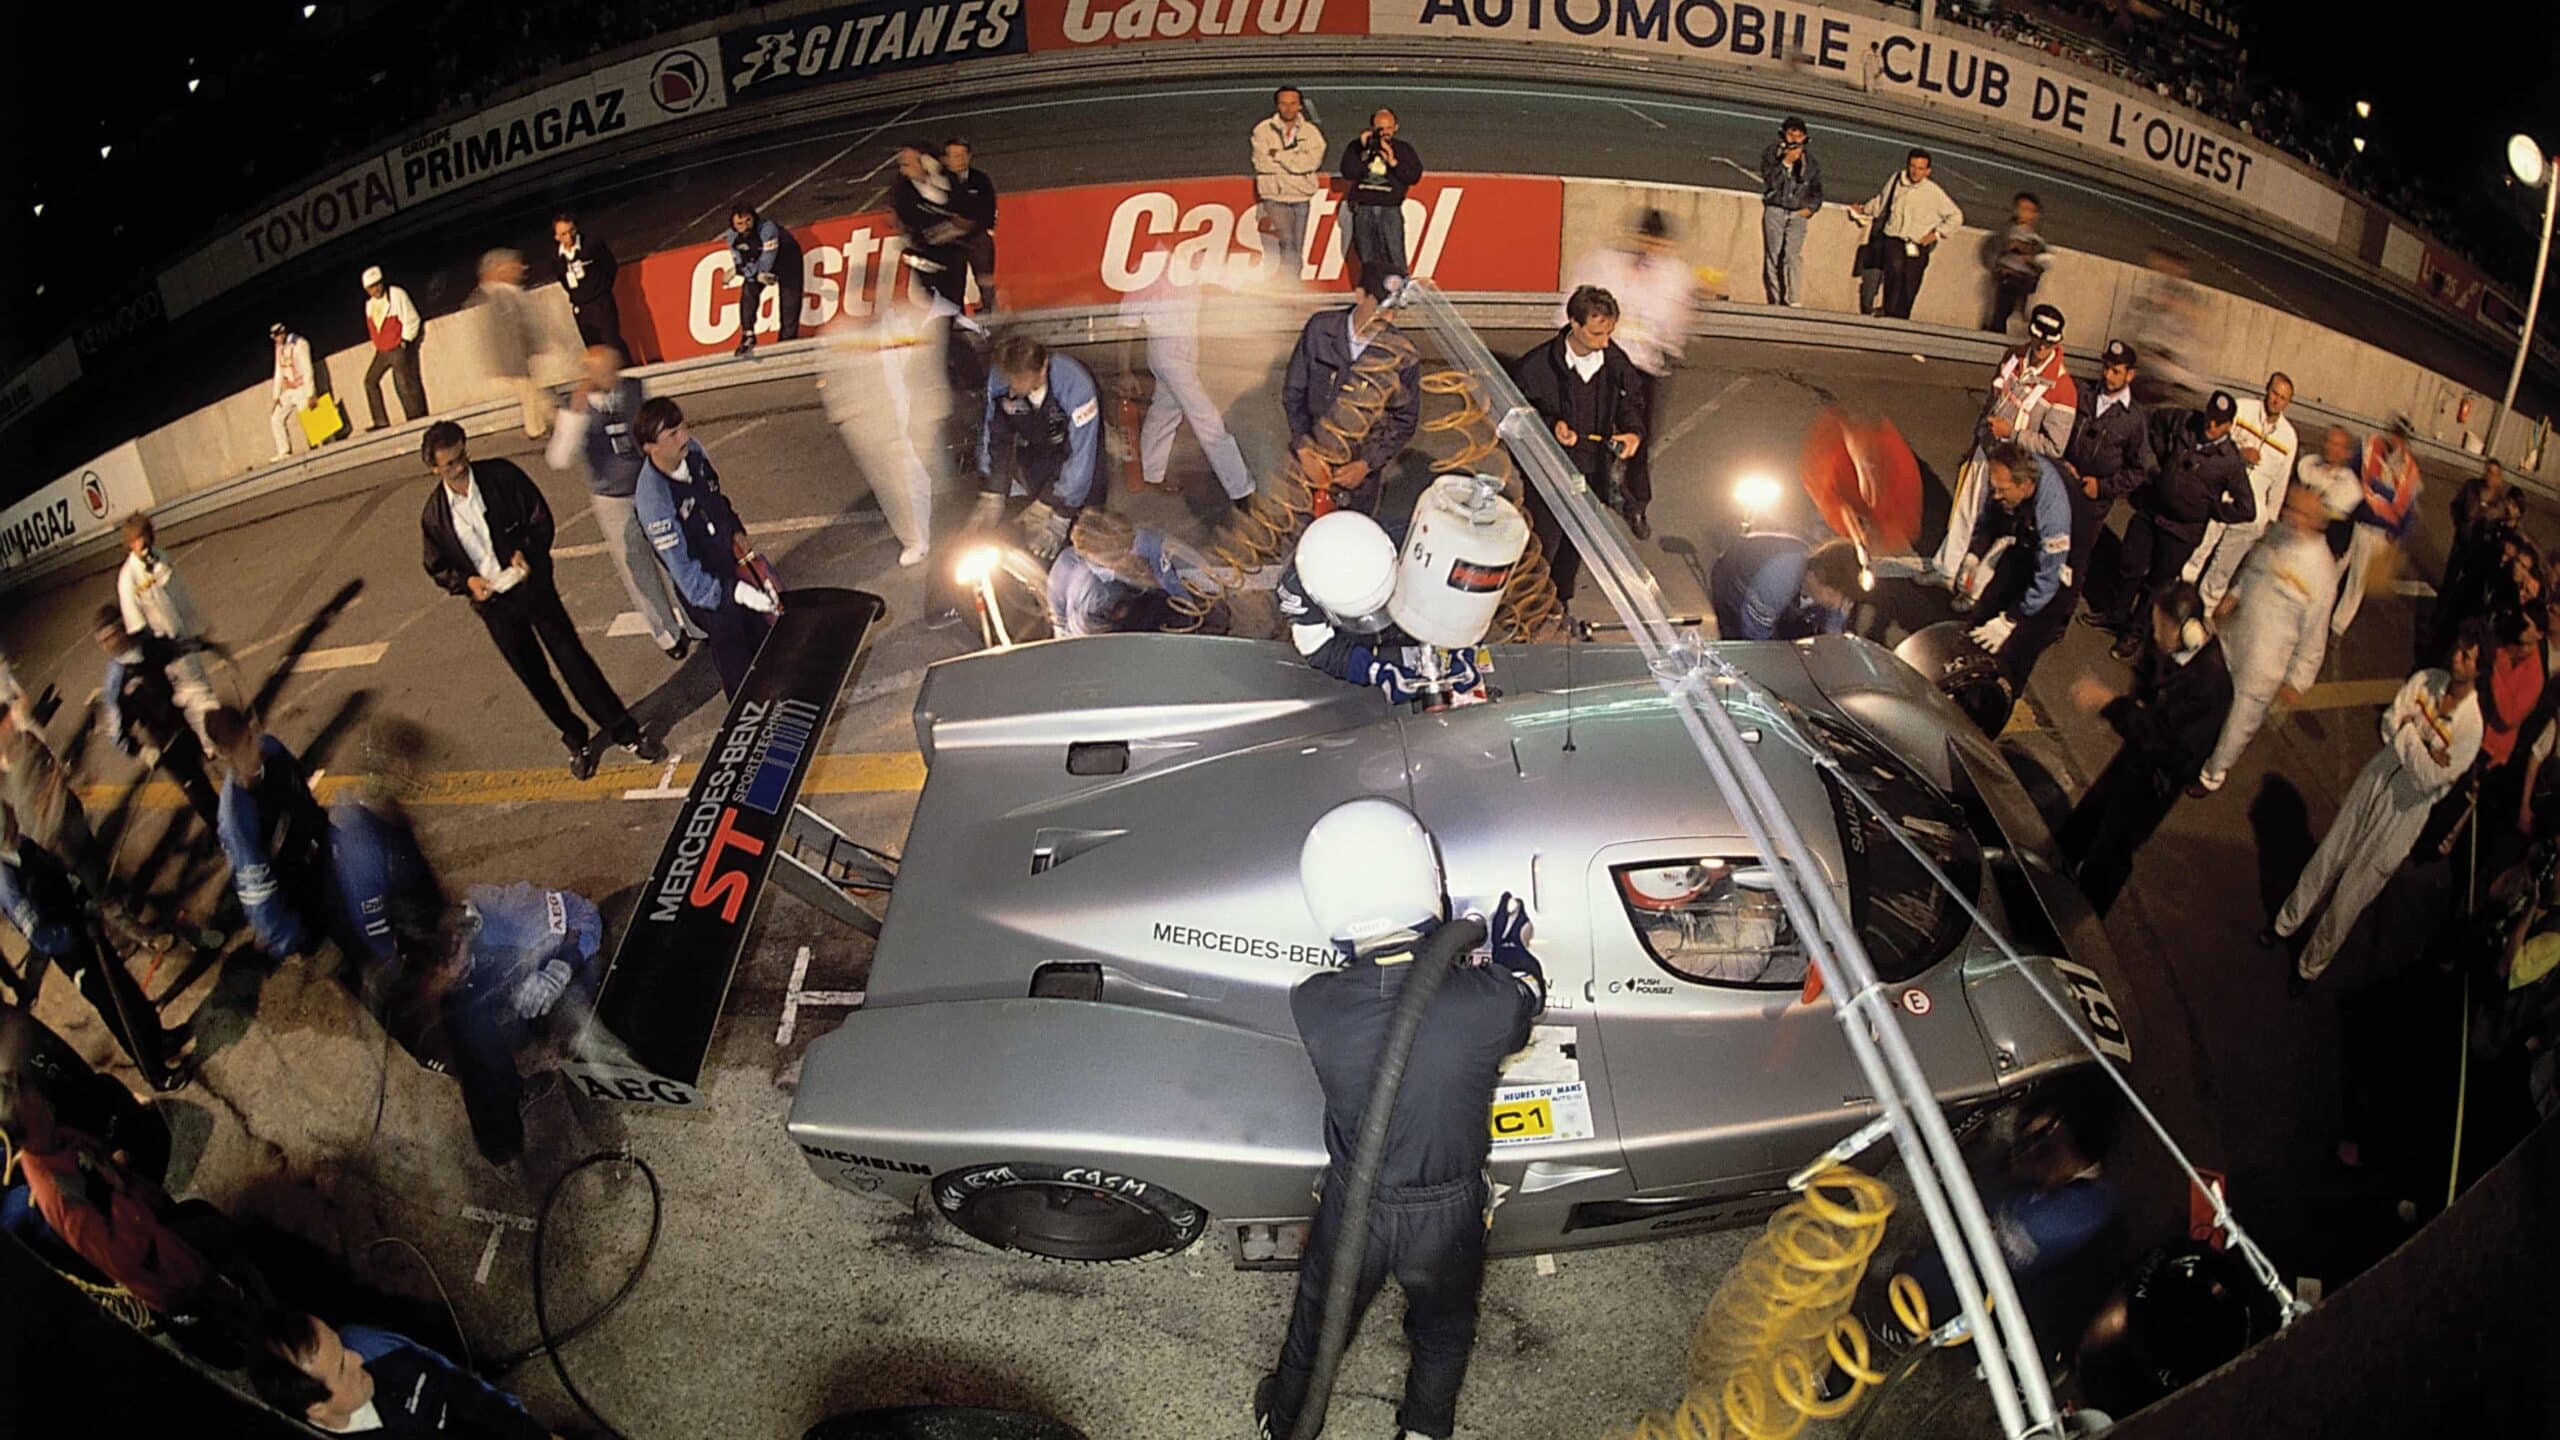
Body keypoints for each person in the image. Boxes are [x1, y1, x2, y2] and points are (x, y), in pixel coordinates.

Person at [1252, 798, 1545, 1440]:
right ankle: (1423, 1428)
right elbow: (1528, 996)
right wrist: (1507, 941)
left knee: (1317, 1322)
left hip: (1355, 1201)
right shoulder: (1485, 1004)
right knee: (1443, 1331)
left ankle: (1286, 1420)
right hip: (1447, 1210)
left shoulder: (1314, 1004)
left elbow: (1376, 999)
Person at [417, 423, 661, 778]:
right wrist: (467, 582)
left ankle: (624, 730)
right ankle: (575, 738)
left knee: (573, 660)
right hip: (495, 606)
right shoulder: (435, 516)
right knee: (534, 677)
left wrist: (526, 551)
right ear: (434, 469)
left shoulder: (500, 477)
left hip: (532, 588)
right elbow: (437, 565)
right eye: (450, 464)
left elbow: (538, 517)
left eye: (462, 456)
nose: (460, 467)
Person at [2266, 628, 2484, 985]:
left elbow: (2428, 779)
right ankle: (2285, 923)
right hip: (2378, 776)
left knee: (2355, 890)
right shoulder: (2425, 680)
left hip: (2406, 810)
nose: (2457, 658)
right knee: (2331, 852)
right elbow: (2388, 723)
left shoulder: (2471, 729)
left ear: (2479, 669)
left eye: (2467, 656)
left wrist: (2409, 733)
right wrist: (2421, 746)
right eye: (2459, 649)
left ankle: (2310, 966)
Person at [1872, 1084, 2124, 1359]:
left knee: (1963, 1262)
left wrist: (1913, 1273)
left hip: (1950, 1293)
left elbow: (1976, 1251)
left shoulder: (2069, 1216)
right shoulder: (2057, 1181)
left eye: (2040, 1142)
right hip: (1973, 1242)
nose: (2027, 1147)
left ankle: (1906, 1324)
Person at [2062, 583, 2231, 913]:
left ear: (2185, 630)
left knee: (2113, 846)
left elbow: (2159, 738)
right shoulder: (2168, 649)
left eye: (2160, 627)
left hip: (2156, 781)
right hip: (2137, 758)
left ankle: (2085, 913)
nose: (2154, 634)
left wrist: (2109, 702)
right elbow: (2144, 684)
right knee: (2091, 814)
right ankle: (2057, 864)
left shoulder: (2210, 686)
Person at [0, 807, 184, 1088]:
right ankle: (156, 1073)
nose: (15, 817)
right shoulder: (7, 882)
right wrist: (75, 934)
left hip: (84, 926)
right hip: (72, 950)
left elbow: (60, 873)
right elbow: (40, 935)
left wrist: (82, 896)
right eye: (10, 820)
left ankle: (159, 1038)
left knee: (126, 986)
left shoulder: (23, 844)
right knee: (116, 1006)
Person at [428, 882, 605, 1165]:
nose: (443, 972)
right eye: (435, 967)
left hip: (549, 971)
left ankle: (574, 1035)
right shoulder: (432, 962)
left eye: (448, 958)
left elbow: (586, 916)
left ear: (464, 933)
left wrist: (560, 968)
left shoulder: (515, 914)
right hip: (505, 983)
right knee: (463, 1022)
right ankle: (502, 1136)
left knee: (583, 982)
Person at [544, 346, 702, 658]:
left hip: (650, 486)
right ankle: (667, 634)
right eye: (603, 372)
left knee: (673, 553)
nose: (611, 377)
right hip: (613, 498)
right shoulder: (575, 407)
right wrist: (575, 414)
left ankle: (697, 622)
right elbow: (560, 458)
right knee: (637, 568)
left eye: (613, 369)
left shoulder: (633, 389)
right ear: (589, 374)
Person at [2193, 484, 2343, 795]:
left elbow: (2314, 636)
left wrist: (2297, 681)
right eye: (2290, 507)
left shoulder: (2322, 573)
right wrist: (2231, 598)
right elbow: (2252, 570)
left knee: (2237, 724)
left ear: (2318, 521)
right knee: (2205, 699)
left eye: (2300, 512)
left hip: (2264, 665)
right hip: (2235, 636)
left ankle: (2212, 774)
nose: (2291, 515)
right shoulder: (2277, 535)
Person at [1560, 211, 1698, 539]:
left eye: (1656, 243)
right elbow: (1573, 306)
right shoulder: (1604, 264)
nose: (1649, 248)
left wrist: (1663, 343)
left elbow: (1675, 324)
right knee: (1589, 431)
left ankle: (1637, 504)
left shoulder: (1674, 276)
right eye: (1645, 240)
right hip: (1603, 361)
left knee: (1638, 438)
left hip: (1643, 367)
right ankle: (1584, 496)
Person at [634, 398, 778, 698]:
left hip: (730, 564)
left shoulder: (694, 453)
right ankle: (747, 708)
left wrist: (735, 530)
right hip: (709, 591)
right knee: (736, 659)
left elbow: (716, 497)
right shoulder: (654, 500)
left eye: (682, 427)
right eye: (672, 435)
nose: (684, 437)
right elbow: (687, 577)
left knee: (766, 639)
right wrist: (735, 593)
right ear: (650, 447)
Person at [1512, 286, 1647, 603]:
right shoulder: (1535, 368)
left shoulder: (1615, 363)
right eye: (1597, 333)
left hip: (1592, 472)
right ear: (1573, 322)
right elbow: (1517, 419)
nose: (1605, 342)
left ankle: (1561, 602)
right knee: (1543, 543)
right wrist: (1551, 426)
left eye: (1609, 333)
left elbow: (1631, 403)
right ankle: (1531, 604)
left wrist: (1633, 432)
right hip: (1547, 475)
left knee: (1576, 544)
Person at [2097, 392, 2253, 662]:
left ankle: (2134, 632)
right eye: (2210, 417)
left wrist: (2212, 509)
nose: (2211, 425)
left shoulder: (2230, 461)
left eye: (2218, 423)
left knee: (2157, 585)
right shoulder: (2186, 421)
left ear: (2229, 426)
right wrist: (2160, 460)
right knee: (2130, 563)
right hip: (2153, 512)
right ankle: (2115, 614)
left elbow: (2246, 508)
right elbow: (2157, 421)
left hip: (2181, 532)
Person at [1277, 510, 1488, 702]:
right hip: (1357, 643)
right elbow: (1319, 648)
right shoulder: (1296, 589)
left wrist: (1464, 645)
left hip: (1420, 611)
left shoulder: (1422, 544)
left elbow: (1471, 598)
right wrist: (1375, 672)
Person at [250, 1310, 557, 1440]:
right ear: (317, 1408)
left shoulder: (368, 1343)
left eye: (341, 1346)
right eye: (342, 1367)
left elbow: (459, 1383)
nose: (358, 1357)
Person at [1933, 304, 2076, 583]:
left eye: (2048, 343)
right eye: (2039, 339)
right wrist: (1977, 438)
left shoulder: (2064, 389)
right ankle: (1946, 569)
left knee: (2001, 529)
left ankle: (1977, 588)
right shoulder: (2012, 356)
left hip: (2016, 466)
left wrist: (2012, 433)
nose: (2042, 347)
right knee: (1965, 510)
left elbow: (2055, 447)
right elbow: (1993, 400)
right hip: (1987, 448)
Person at [820, 282, 953, 568]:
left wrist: (932, 411)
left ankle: (939, 532)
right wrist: (848, 420)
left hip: (913, 420)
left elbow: (929, 361)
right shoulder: (841, 333)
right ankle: (915, 540)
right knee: (893, 490)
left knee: (931, 481)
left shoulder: (911, 322)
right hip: (873, 427)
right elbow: (833, 382)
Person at [1282, 269, 1421, 517]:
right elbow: (1294, 393)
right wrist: (1304, 449)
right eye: (1380, 307)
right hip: (1309, 467)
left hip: (1358, 481)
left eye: (1394, 310)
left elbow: (1405, 421)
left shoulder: (1401, 355)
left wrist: (1366, 465)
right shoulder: (1320, 330)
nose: (1387, 318)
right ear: (1360, 295)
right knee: (1298, 531)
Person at [1122, 263, 1257, 508]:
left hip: (1186, 350)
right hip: (1167, 354)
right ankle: (1240, 489)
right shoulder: (1149, 268)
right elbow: (1126, 322)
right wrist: (1124, 370)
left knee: (1166, 409)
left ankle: (1151, 473)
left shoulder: (1191, 257)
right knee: (1207, 418)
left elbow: (1226, 278)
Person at [206, 708, 333, 963]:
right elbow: (256, 887)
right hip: (300, 898)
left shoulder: (272, 750)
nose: (253, 751)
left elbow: (302, 795)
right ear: (224, 755)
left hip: (325, 860)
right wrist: (289, 937)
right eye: (243, 747)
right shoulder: (236, 816)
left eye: (250, 739)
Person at [1956, 442, 2077, 688]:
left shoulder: (2053, 516)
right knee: (1985, 609)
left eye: (2002, 490)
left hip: (2058, 571)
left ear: (2025, 485)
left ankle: (2002, 692)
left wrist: (2011, 619)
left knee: (2017, 648)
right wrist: (1974, 555)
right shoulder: (2008, 477)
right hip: (2025, 543)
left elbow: (2048, 580)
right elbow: (1991, 517)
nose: (1996, 495)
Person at [977, 334, 1105, 562]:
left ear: (1043, 368)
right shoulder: (1000, 381)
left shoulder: (1076, 386)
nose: (1013, 389)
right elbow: (995, 437)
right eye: (1010, 380)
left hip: (1081, 451)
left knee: (1085, 531)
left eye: (1020, 380)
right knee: (1036, 526)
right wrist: (993, 492)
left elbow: (1082, 458)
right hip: (1038, 448)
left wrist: (1062, 514)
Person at [96, 608, 220, 827]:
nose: (108, 645)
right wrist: (142, 751)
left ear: (123, 629)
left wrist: (202, 644)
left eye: (111, 636)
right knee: (199, 792)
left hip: (183, 721)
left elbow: (173, 647)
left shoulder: (147, 645)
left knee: (207, 774)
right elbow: (116, 732)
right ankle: (223, 831)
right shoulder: (116, 682)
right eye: (102, 641)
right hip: (165, 743)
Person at [2185, 373, 2297, 609]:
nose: (2276, 401)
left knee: (2223, 569)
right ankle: (2180, 599)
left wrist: (2270, 518)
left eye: (2283, 398)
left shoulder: (2289, 437)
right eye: (2274, 393)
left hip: (2251, 512)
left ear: (2288, 402)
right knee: (2198, 549)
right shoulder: (2242, 409)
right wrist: (2239, 454)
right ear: (2267, 389)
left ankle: (2206, 608)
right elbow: (2214, 441)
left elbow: (2281, 481)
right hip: (2222, 495)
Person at [2059, 339, 2153, 597]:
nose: (2108, 376)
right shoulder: (2083, 393)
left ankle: (2060, 612)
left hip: (2093, 502)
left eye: (2116, 371)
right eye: (2106, 368)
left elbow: (2137, 470)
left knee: (2075, 559)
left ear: (2130, 375)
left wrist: (2101, 487)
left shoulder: (2133, 420)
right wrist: (2062, 462)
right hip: (2063, 483)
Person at [1045, 512, 1216, 637]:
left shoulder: (1133, 540)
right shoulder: (1094, 593)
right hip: (1094, 634)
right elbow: (1088, 642)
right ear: (1098, 558)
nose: (1131, 556)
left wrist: (1188, 608)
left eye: (1131, 548)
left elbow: (1164, 569)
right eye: (1120, 556)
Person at [2332, 422, 2422, 642]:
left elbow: (2409, 509)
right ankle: (2317, 606)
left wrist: (2398, 535)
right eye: (2394, 433)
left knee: (2357, 581)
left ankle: (2337, 627)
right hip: (2357, 521)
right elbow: (2351, 473)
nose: (2395, 439)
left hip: (2379, 533)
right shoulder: (2370, 447)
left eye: (2400, 436)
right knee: (2335, 566)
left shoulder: (2410, 472)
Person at [1848, 149, 1962, 320]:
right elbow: (1882, 202)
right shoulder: (1897, 180)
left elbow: (1956, 216)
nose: (1915, 172)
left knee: (1910, 284)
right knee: (1895, 272)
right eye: (1913, 166)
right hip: (1894, 238)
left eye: (1921, 168)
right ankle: (1889, 314)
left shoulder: (1933, 192)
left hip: (1917, 244)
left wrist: (1937, 234)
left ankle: (1900, 320)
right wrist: (1863, 209)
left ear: (1928, 171)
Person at [1711, 534, 1861, 641]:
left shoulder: (1831, 593)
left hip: (1781, 602)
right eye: (1832, 594)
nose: (1837, 604)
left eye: (1844, 598)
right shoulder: (1780, 578)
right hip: (1734, 587)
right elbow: (1755, 636)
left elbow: (1832, 637)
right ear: (1816, 576)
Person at [1336, 107, 1423, 293]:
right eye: (1380, 129)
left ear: (1396, 127)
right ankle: (1372, 294)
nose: (1384, 133)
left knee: (1394, 254)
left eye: (1389, 128)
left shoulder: (1403, 149)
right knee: (1367, 255)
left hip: (1389, 208)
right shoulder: (1357, 147)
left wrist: (1392, 161)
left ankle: (1400, 293)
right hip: (1364, 208)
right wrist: (1363, 150)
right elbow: (1348, 172)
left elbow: (1413, 176)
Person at [470, 249, 550, 440]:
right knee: (532, 394)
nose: (520, 269)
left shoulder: (507, 293)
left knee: (531, 394)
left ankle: (541, 426)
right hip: (513, 359)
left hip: (519, 358)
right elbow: (507, 333)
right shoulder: (498, 295)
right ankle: (540, 428)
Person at [1251, 85, 1329, 278]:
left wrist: (1278, 155)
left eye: (1293, 104)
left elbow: (1310, 163)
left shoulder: (1311, 133)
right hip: (1274, 196)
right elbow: (1262, 163)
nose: (1288, 108)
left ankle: (1293, 282)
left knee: (1297, 245)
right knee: (1287, 241)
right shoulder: (1262, 130)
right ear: (1277, 105)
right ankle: (1290, 283)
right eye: (1284, 104)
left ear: (1300, 106)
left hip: (1301, 196)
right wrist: (1295, 160)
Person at [889, 145, 970, 309]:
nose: (904, 169)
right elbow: (907, 217)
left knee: (955, 295)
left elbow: (958, 202)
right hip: (925, 252)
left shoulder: (944, 180)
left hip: (953, 250)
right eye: (903, 165)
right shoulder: (901, 191)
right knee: (937, 298)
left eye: (909, 163)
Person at [1758, 117, 1823, 308]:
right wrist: (1786, 162)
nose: (1794, 139)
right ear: (1783, 134)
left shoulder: (1810, 162)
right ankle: (1776, 299)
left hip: (1798, 212)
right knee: (1773, 255)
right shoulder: (1772, 153)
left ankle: (1794, 299)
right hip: (1776, 209)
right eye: (1790, 134)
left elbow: (1817, 190)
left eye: (1799, 135)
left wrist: (1810, 208)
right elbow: (1771, 181)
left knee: (1792, 255)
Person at [722, 202, 801, 356]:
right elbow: (740, 262)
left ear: (754, 218)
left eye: (748, 221)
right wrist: (745, 271)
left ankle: (787, 342)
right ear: (733, 225)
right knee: (748, 290)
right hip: (757, 264)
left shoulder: (768, 229)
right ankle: (748, 335)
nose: (745, 227)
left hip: (787, 260)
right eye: (740, 224)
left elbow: (766, 262)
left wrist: (745, 272)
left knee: (790, 301)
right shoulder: (732, 237)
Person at [359, 265, 426, 431]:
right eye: (371, 287)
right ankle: (380, 420)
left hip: (397, 346)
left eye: (378, 284)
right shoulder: (369, 305)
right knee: (370, 381)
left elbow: (411, 318)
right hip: (382, 349)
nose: (376, 289)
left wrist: (405, 340)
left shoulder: (396, 294)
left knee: (403, 383)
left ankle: (414, 417)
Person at [551, 212, 627, 357]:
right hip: (581, 308)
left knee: (612, 344)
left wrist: (602, 290)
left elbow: (610, 266)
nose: (569, 237)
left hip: (601, 302)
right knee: (595, 350)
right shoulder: (556, 257)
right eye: (564, 234)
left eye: (571, 231)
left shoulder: (591, 244)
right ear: (557, 237)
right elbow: (562, 279)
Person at [941, 138, 999, 310]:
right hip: (951, 240)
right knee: (954, 283)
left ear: (969, 156)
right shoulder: (940, 182)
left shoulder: (980, 180)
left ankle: (990, 311)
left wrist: (975, 227)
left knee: (985, 279)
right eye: (954, 156)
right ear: (946, 159)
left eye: (962, 155)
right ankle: (957, 317)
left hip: (976, 236)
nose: (959, 160)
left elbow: (989, 208)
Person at [1985, 192, 2050, 334]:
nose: (2024, 213)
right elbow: (1991, 251)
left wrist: (2031, 258)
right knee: (2001, 313)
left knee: (2021, 316)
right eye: (2021, 209)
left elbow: (2045, 261)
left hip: (2026, 281)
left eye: (2029, 210)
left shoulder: (2037, 237)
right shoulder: (2006, 231)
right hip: (2007, 278)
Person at [267, 321, 317, 461]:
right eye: (275, 337)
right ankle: (283, 451)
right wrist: (276, 395)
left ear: (283, 333)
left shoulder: (299, 344)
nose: (276, 340)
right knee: (276, 418)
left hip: (302, 388)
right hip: (289, 389)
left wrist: (310, 393)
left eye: (278, 336)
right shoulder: (279, 348)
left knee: (309, 420)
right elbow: (278, 371)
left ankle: (319, 448)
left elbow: (307, 369)